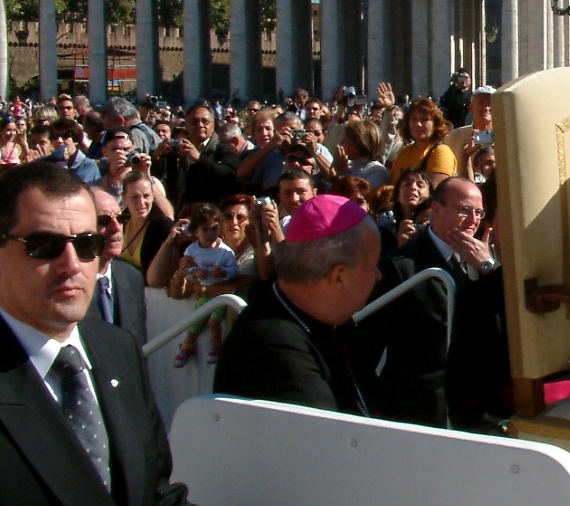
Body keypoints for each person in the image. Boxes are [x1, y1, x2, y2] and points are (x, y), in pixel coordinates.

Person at [0, 163, 372, 506]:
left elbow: (155, 505)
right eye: (44, 246)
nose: (72, 264)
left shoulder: (115, 352)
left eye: (87, 245)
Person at [214, 195, 383, 415]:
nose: (378, 275)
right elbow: (327, 432)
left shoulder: (333, 321)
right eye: (372, 266)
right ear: (339, 277)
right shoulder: (272, 347)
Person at [360, 177, 498, 426]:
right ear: (436, 209)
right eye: (465, 210)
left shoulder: (483, 261)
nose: (473, 220)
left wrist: (489, 268)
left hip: (475, 406)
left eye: (479, 213)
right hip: (420, 411)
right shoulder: (402, 266)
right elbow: (366, 345)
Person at [172, 203, 240, 368]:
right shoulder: (192, 250)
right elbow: (186, 268)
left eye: (214, 229)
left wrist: (223, 272)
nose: (210, 233)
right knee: (196, 321)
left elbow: (234, 271)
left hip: (221, 296)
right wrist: (195, 271)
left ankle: (215, 346)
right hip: (204, 294)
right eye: (205, 229)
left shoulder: (225, 252)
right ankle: (187, 347)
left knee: (213, 322)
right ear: (195, 231)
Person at [152, 101, 239, 208]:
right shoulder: (177, 149)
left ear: (213, 125)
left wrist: (199, 158)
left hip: (209, 211)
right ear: (186, 125)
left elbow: (228, 177)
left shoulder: (224, 150)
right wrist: (156, 155)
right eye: (194, 121)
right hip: (178, 211)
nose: (200, 125)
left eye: (205, 121)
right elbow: (156, 177)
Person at [86, 186, 147, 334]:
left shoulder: (132, 277)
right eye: (104, 221)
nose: (116, 227)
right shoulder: (67, 283)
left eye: (120, 218)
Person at [391, 98, 457, 187]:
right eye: (413, 119)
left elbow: (436, 190)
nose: (418, 124)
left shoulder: (441, 152)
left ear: (435, 124)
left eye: (424, 119)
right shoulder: (404, 153)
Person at [118, 169, 174, 275]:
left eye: (146, 196)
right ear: (123, 197)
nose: (141, 202)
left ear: (153, 196)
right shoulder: (119, 222)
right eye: (134, 197)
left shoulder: (162, 228)